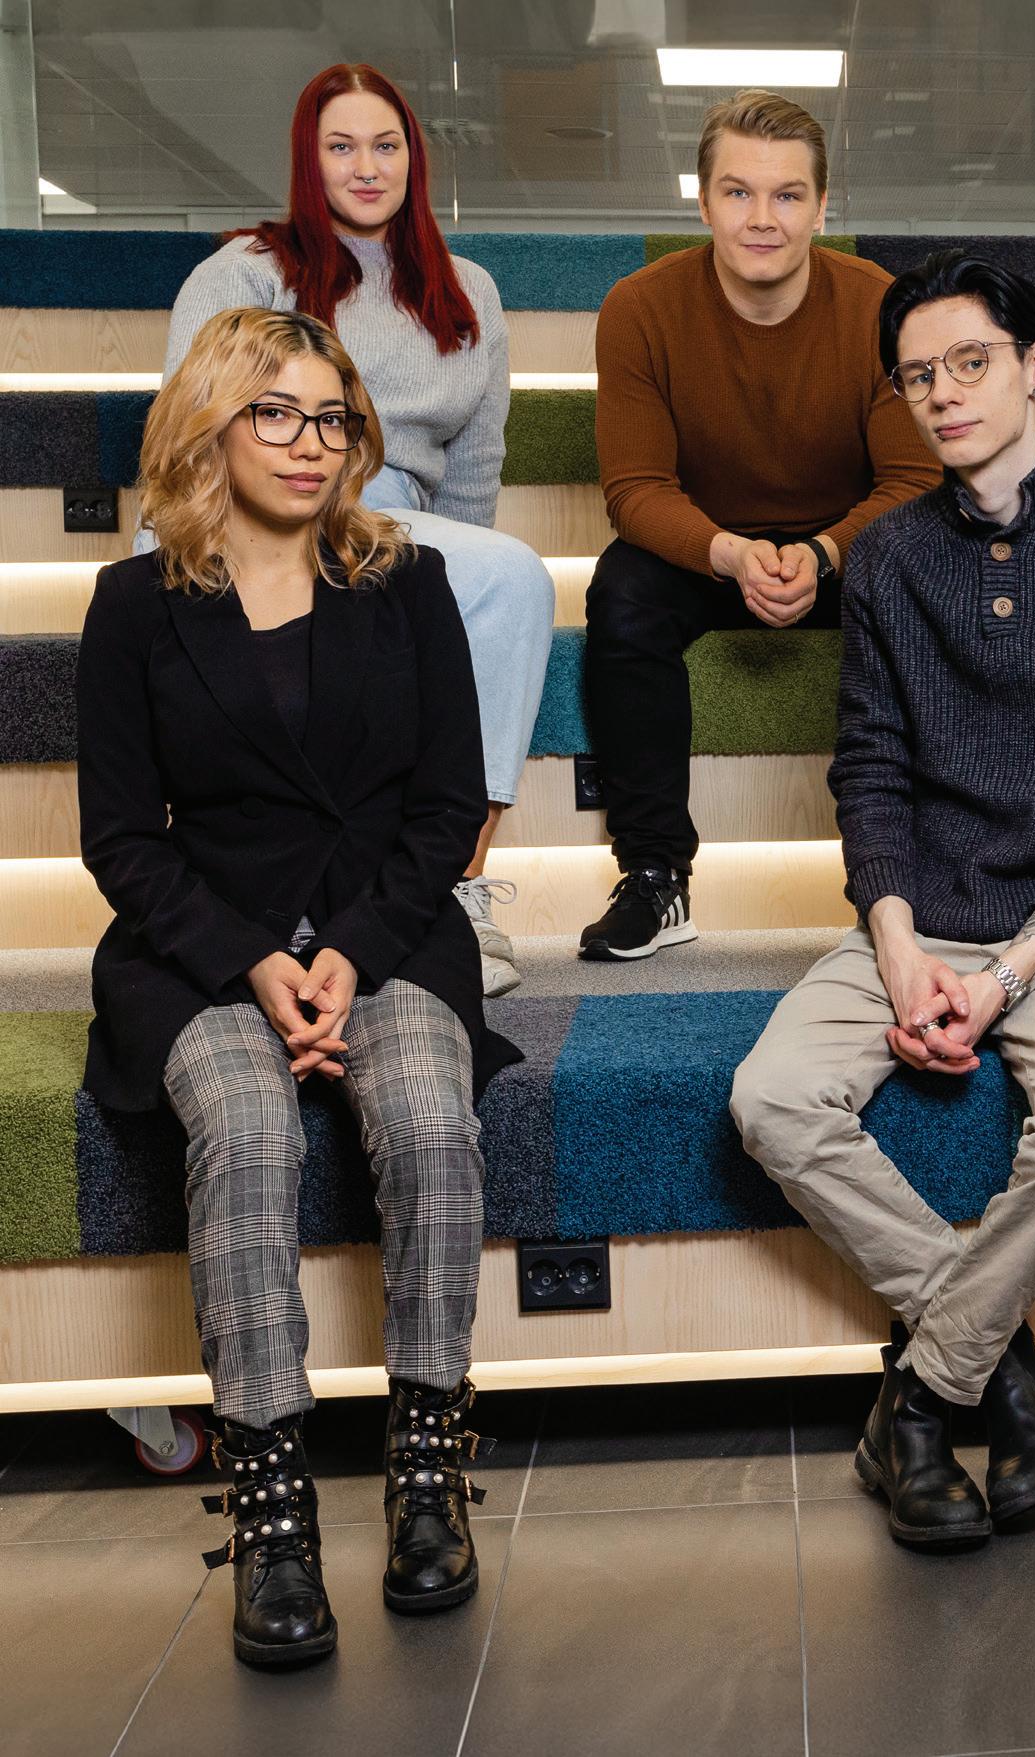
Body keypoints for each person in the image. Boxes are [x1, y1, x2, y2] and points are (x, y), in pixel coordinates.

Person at [731, 252, 1035, 1548]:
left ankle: (924, 1397)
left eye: (970, 362)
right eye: (917, 375)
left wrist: (1003, 977)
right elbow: (869, 770)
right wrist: (895, 949)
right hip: (911, 919)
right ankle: (1011, 1373)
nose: (941, 392)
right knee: (768, 1097)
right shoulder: (885, 559)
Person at [79, 306, 520, 1666]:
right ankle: (272, 1506)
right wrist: (251, 959)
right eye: (275, 412)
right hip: (202, 946)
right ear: (210, 424)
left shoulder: (407, 581)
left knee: (432, 1120)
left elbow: (447, 807)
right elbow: (120, 840)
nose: (309, 442)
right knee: (246, 1125)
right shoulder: (133, 605)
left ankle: (427, 1461)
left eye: (332, 417)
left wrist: (353, 951)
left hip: (389, 931)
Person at [153, 62, 553, 996]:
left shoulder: (469, 289)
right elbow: (188, 429)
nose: (366, 167)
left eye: (386, 145)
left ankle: (456, 882)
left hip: (402, 519)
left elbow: (476, 465)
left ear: (416, 157)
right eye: (341, 147)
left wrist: (441, 600)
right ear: (309, 158)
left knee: (508, 576)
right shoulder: (245, 272)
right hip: (268, 505)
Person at [580, 88, 939, 960]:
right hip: (705, 545)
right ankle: (655, 873)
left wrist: (822, 552)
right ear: (703, 202)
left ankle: (912, 873)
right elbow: (634, 489)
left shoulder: (880, 307)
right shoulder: (640, 307)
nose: (762, 218)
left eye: (786, 195)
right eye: (738, 192)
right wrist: (732, 553)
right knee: (621, 589)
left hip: (846, 545)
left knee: (935, 570)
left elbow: (913, 479)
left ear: (821, 207)